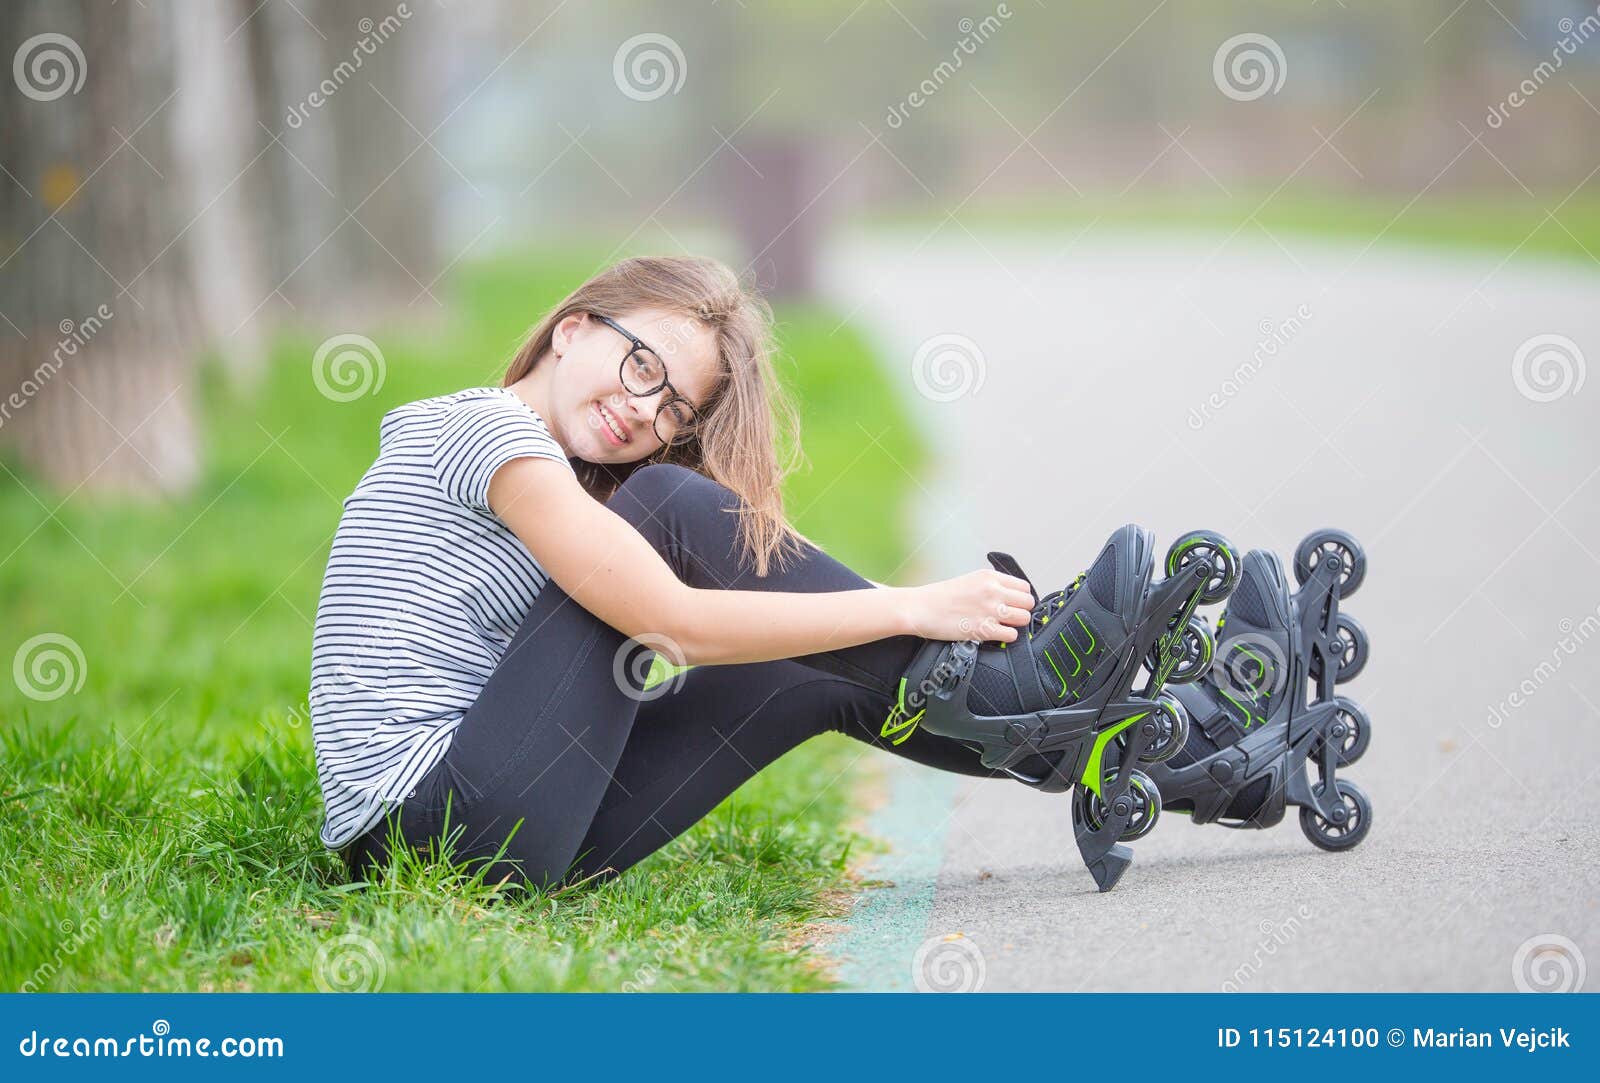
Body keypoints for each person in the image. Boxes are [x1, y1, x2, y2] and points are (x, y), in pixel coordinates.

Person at [310, 255, 1036, 889]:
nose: (644, 409)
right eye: (643, 365)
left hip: (495, 827)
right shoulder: (486, 429)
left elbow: (780, 602)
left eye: (672, 409)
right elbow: (675, 622)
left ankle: (1070, 737)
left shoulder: (560, 481)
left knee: (806, 673)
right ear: (572, 330)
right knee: (665, 499)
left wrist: (922, 608)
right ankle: (1034, 683)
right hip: (430, 827)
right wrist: (913, 608)